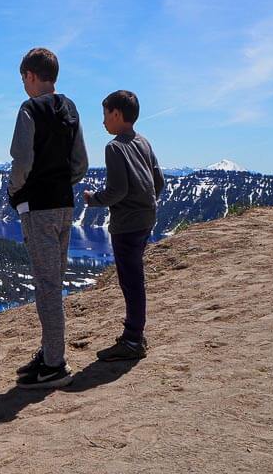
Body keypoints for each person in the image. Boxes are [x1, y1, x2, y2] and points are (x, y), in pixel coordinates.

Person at [8, 47, 88, 389]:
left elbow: (22, 159)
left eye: (23, 79)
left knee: (47, 286)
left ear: (30, 75)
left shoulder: (29, 109)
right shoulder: (70, 108)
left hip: (38, 208)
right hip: (65, 205)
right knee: (54, 280)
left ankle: (54, 363)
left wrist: (15, 191)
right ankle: (48, 352)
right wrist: (60, 183)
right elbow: (81, 162)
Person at [83, 90, 165, 360]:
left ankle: (132, 340)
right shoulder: (144, 142)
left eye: (105, 114)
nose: (103, 121)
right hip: (146, 219)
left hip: (128, 224)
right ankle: (134, 335)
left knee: (130, 281)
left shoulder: (115, 147)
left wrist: (93, 199)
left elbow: (117, 190)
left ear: (117, 114)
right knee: (135, 277)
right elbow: (159, 183)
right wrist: (145, 202)